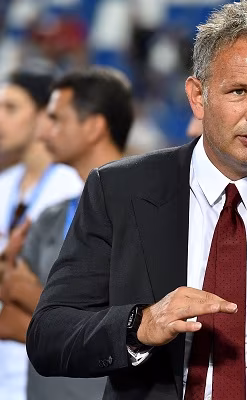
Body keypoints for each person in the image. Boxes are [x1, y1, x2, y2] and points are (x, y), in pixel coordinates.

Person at [27, 2, 247, 400]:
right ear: (197, 96)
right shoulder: (118, 191)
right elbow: (49, 336)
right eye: (239, 91)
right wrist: (140, 325)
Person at [1, 67, 134, 399]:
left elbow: (135, 324)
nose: (45, 133)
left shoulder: (142, 213)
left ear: (93, 127)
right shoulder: (50, 217)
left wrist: (35, 300)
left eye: (56, 120)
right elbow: (8, 321)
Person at [0, 68, 82, 400]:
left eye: (11, 108)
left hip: (45, 369)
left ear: (42, 115)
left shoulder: (72, 187)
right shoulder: (4, 183)